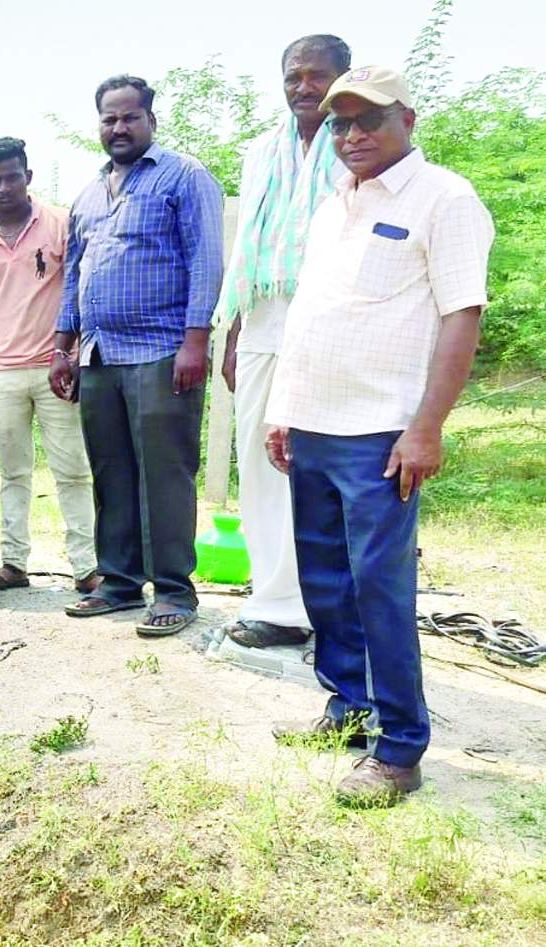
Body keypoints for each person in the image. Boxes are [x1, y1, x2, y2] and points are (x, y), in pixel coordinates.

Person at [266, 66, 493, 806]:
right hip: (314, 426)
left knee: (378, 588)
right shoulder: (333, 204)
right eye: (341, 123)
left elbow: (461, 315)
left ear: (408, 120)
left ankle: (399, 748)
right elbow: (311, 314)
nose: (353, 135)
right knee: (326, 583)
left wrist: (426, 428)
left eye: (370, 120)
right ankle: (348, 709)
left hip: (381, 434)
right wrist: (284, 408)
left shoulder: (445, 198)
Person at [52, 75, 224, 637]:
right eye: (110, 118)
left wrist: (195, 341)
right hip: (99, 355)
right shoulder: (88, 193)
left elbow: (205, 261)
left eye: (130, 117)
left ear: (151, 120)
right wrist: (62, 346)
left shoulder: (184, 176)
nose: (119, 127)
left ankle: (173, 589)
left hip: (161, 349)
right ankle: (120, 582)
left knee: (164, 473)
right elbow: (73, 273)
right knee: (112, 472)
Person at [214, 35, 350, 649]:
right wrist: (235, 333)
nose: (304, 87)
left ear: (342, 78)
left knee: (323, 467)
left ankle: (329, 604)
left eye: (317, 75)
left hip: (332, 325)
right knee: (260, 465)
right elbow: (250, 247)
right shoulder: (262, 151)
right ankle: (276, 605)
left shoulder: (357, 144)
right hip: (263, 321)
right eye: (293, 76)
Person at [0, 138, 99, 594]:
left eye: (11, 177)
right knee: (13, 472)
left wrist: (73, 355)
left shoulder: (59, 223)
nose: (3, 187)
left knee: (72, 469)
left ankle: (86, 567)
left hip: (56, 367)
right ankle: (13, 563)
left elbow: (80, 290)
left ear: (27, 177)